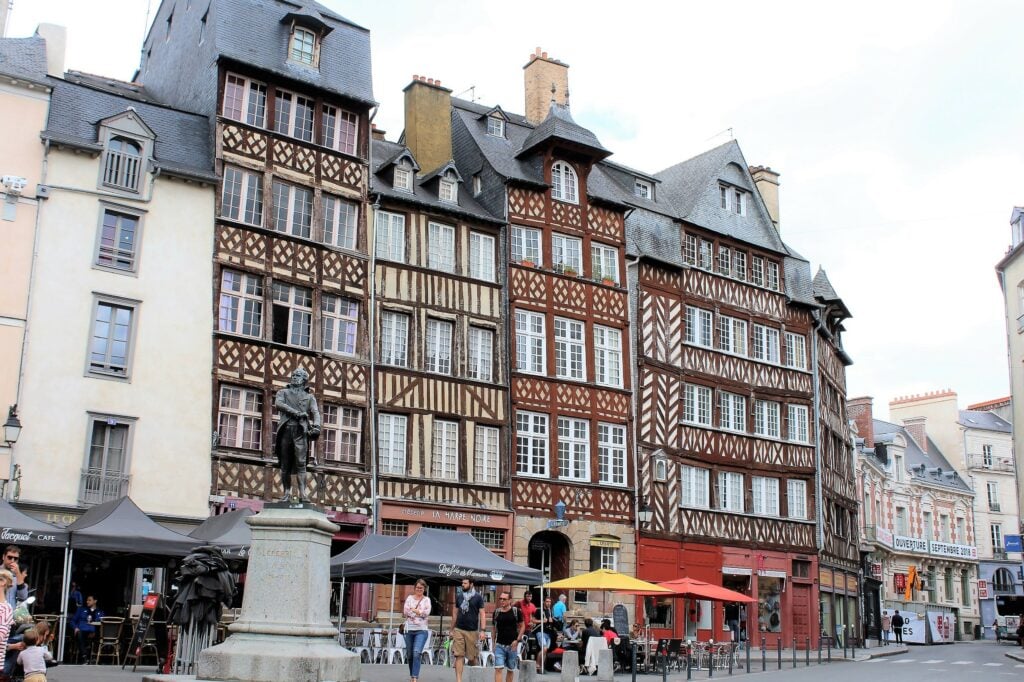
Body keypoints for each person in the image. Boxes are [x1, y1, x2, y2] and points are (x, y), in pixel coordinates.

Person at [274, 367, 321, 502]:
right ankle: (286, 493)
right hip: (285, 431)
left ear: (304, 380)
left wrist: (317, 426)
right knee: (285, 464)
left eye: (298, 375)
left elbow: (316, 412)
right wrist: (296, 413)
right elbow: (279, 404)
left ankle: (303, 494)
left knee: (301, 464)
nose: (294, 377)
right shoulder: (283, 392)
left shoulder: (309, 397)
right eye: (293, 375)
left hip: (300, 432)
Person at [450, 577, 485, 682]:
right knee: (459, 656)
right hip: (459, 629)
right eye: (462, 583)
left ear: (471, 584)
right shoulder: (459, 596)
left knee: (472, 658)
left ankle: (474, 676)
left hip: (472, 631)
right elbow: (455, 613)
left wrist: (482, 630)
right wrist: (451, 629)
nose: (462, 585)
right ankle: (459, 680)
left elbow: (482, 614)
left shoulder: (478, 597)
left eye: (465, 583)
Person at [491, 590, 525, 682]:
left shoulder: (516, 611)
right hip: (499, 645)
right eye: (500, 599)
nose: (502, 601)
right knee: (498, 669)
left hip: (512, 646)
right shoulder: (497, 612)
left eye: (504, 599)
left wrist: (517, 640)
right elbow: (493, 628)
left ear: (510, 600)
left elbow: (522, 626)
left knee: (510, 670)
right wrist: (493, 643)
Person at [403, 579, 431, 682]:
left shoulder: (427, 600)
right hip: (409, 630)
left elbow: (426, 613)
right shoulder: (409, 598)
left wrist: (415, 611)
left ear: (424, 589)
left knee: (416, 652)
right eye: (417, 587)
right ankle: (412, 675)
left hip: (421, 631)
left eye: (421, 588)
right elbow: (405, 611)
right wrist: (419, 612)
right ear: (414, 588)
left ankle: (414, 677)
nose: (419, 589)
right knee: (410, 654)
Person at [70, 595, 104, 663]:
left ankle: (95, 657)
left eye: (89, 600)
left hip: (94, 631)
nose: (87, 602)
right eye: (87, 600)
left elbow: (102, 622)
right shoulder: (81, 610)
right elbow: (72, 621)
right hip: (82, 631)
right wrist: (75, 628)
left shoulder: (100, 612)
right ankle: (84, 656)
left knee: (99, 636)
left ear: (95, 601)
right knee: (79, 634)